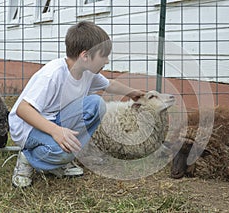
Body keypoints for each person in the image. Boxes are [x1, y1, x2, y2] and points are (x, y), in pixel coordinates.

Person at [9, 21, 145, 188]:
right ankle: (28, 159)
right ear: (85, 56)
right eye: (104, 55)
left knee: (96, 104)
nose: (107, 61)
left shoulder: (87, 71)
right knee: (64, 151)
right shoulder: (52, 75)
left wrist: (132, 93)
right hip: (27, 128)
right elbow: (23, 110)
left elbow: (108, 84)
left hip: (53, 120)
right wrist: (57, 131)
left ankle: (61, 156)